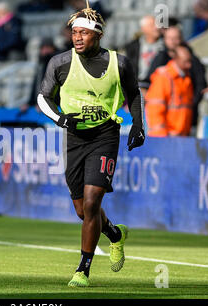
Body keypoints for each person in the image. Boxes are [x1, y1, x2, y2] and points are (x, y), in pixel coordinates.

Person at [37, 4, 145, 287]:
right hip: (73, 138)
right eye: (74, 32)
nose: (77, 38)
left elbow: (133, 93)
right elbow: (43, 98)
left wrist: (138, 125)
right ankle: (115, 234)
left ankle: (82, 270)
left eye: (84, 32)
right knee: (82, 211)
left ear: (98, 35)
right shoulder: (59, 63)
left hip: (105, 136)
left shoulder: (119, 63)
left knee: (92, 200)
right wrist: (61, 119)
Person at [145, 25, 207, 130]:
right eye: (169, 38)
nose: (173, 41)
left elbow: (201, 84)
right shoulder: (160, 58)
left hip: (187, 118)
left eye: (176, 38)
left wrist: (191, 103)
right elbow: (149, 83)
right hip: (163, 121)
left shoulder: (191, 59)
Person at [145, 45, 194, 137]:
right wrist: (160, 138)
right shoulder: (163, 77)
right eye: (185, 62)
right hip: (166, 137)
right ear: (176, 59)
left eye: (190, 61)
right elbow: (154, 109)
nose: (189, 65)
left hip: (181, 136)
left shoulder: (185, 78)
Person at [124, 15, 164, 91]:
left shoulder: (166, 47)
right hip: (137, 86)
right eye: (152, 25)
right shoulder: (132, 47)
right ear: (143, 29)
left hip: (158, 86)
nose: (157, 27)